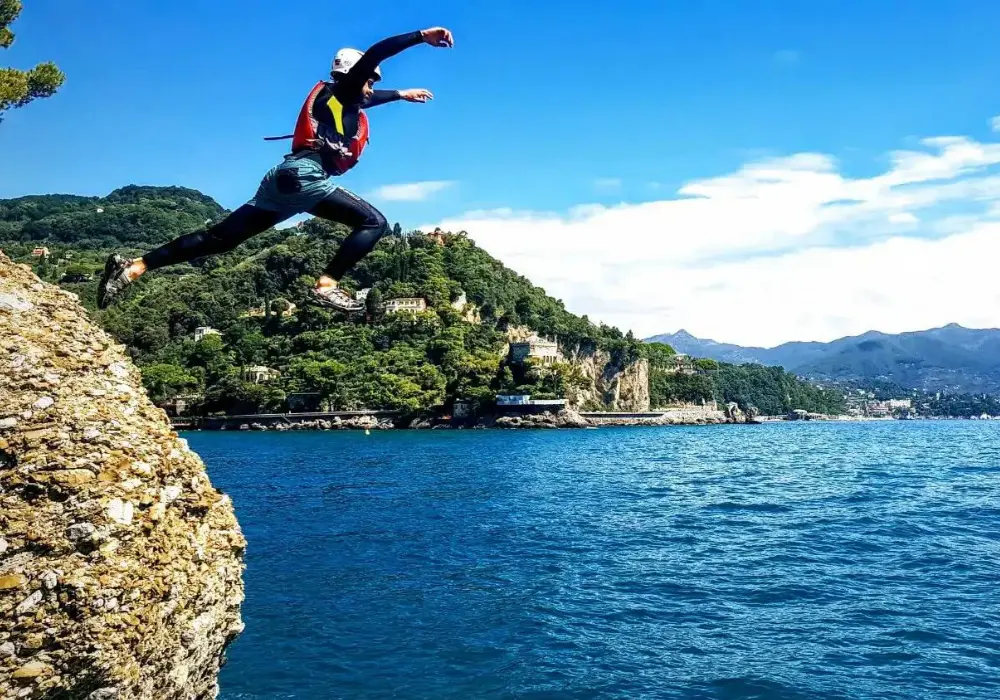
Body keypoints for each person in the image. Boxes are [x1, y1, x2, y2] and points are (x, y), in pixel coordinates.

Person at [98, 26, 454, 312]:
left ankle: (133, 267)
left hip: (283, 182)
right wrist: (421, 36)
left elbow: (370, 98)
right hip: (306, 177)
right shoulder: (345, 89)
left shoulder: (341, 96)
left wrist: (401, 94)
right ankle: (328, 284)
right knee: (373, 223)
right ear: (352, 75)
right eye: (370, 80)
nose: (372, 86)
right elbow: (376, 54)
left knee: (220, 240)